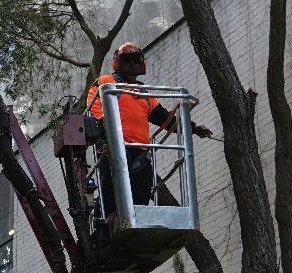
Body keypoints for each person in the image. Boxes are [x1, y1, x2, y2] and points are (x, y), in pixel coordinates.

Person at [85, 43, 214, 215]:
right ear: (118, 63)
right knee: (112, 191)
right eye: (127, 60)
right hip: (114, 147)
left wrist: (194, 128)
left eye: (135, 60)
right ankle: (108, 225)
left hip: (140, 152)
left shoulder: (145, 95)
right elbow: (93, 101)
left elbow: (165, 119)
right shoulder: (107, 82)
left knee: (141, 193)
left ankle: (137, 224)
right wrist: (104, 123)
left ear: (141, 64)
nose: (132, 64)